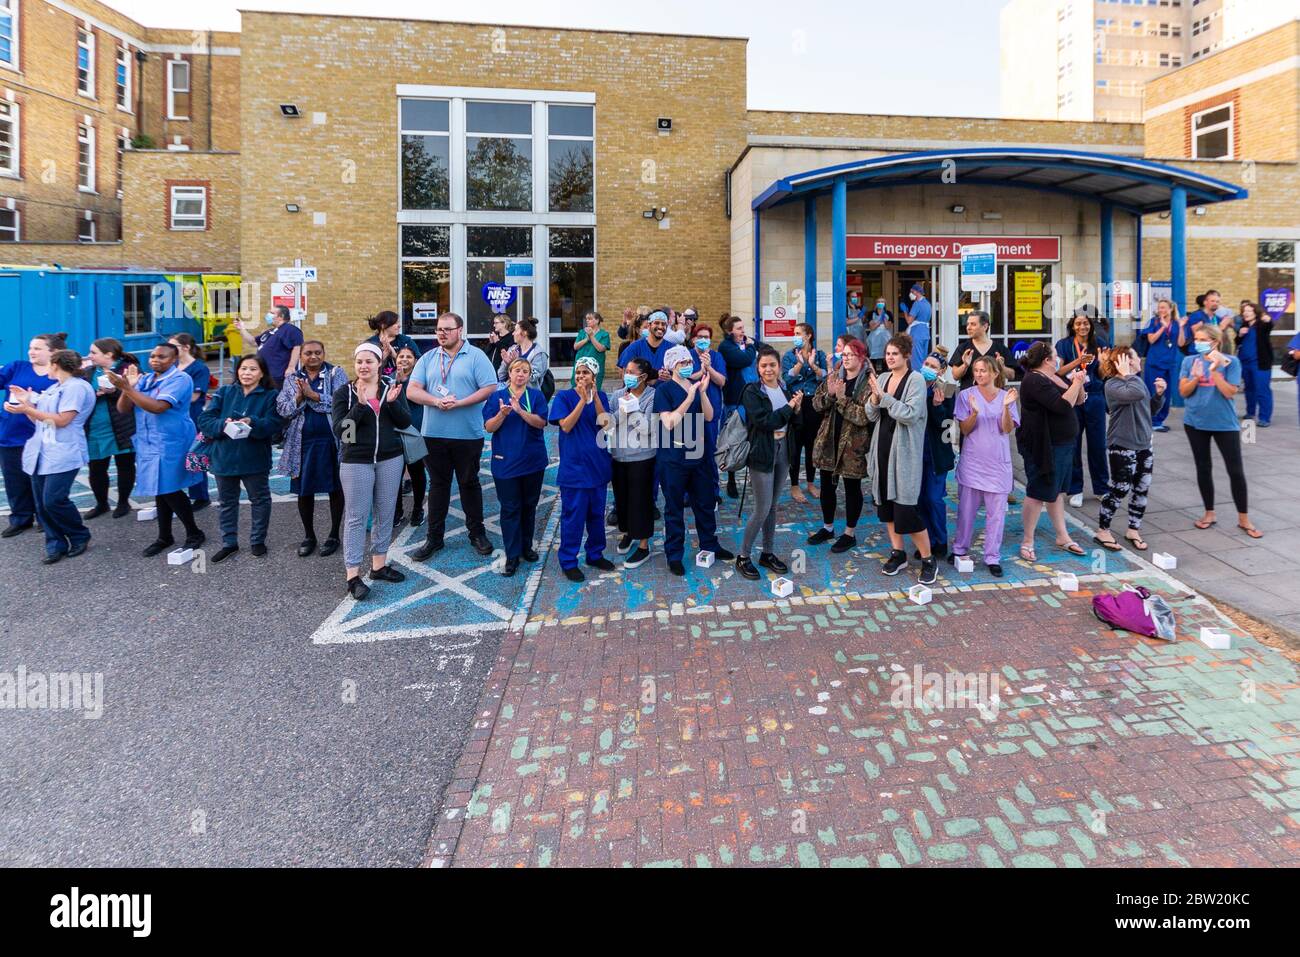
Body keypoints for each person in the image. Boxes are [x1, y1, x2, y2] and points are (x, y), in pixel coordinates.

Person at [407, 313, 499, 561]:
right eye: (438, 329)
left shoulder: (476, 356)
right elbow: (412, 390)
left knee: (469, 483)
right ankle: (434, 539)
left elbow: (490, 387)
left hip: (467, 434)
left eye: (447, 329)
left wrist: (461, 403)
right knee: (438, 486)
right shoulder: (428, 357)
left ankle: (476, 534)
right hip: (433, 434)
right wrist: (437, 401)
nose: (442, 334)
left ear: (460, 330)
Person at [107, 343, 207, 556]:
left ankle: (194, 532)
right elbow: (123, 408)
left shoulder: (180, 379)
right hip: (148, 442)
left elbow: (158, 407)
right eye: (152, 356)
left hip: (172, 441)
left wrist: (127, 388)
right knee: (159, 488)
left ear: (174, 360)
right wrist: (128, 387)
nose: (155, 360)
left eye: (162, 357)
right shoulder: (144, 379)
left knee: (169, 488)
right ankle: (164, 536)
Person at [332, 342, 412, 600]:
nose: (364, 366)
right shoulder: (344, 393)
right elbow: (344, 434)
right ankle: (353, 576)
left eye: (369, 361)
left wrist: (390, 404)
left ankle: (378, 566)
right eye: (359, 362)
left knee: (385, 512)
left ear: (379, 364)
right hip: (356, 461)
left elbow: (405, 422)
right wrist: (361, 406)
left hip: (390, 458)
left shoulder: (391, 387)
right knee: (356, 517)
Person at [9, 349, 96, 563]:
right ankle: (55, 544)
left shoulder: (76, 387)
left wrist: (26, 410)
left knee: (54, 499)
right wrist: (27, 404)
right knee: (41, 503)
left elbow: (62, 420)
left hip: (64, 451)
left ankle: (78, 534)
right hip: (41, 451)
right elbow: (41, 421)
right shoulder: (53, 388)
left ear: (55, 364)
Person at [655, 345, 733, 575]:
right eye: (682, 363)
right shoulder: (664, 390)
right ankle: (674, 554)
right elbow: (669, 422)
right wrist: (689, 398)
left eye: (689, 362)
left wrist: (700, 393)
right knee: (674, 507)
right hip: (674, 458)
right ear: (671, 366)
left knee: (705, 503)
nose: (687, 366)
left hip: (699, 455)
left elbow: (709, 416)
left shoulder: (695, 386)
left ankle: (710, 544)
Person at [865, 335, 937, 583]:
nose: (890, 357)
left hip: (904, 453)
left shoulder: (915, 380)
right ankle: (898, 553)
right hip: (882, 449)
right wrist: (874, 400)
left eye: (895, 353)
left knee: (906, 511)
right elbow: (870, 414)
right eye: (887, 353)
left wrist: (883, 398)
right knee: (886, 509)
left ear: (906, 355)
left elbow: (910, 414)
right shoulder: (883, 378)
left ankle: (928, 559)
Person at [1179, 324, 1261, 539]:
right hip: (1195, 422)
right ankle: (1209, 513)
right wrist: (1196, 377)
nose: (1197, 343)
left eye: (1202, 339)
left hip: (1225, 423)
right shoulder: (1189, 361)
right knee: (1203, 467)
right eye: (1196, 339)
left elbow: (1229, 392)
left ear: (1215, 342)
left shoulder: (1230, 362)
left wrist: (1214, 371)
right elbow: (1183, 393)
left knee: (1235, 470)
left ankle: (1243, 518)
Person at [198, 354, 282, 563]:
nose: (247, 373)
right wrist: (223, 425)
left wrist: (251, 422)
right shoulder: (225, 391)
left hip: (254, 459)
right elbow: (205, 419)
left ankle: (257, 540)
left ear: (262, 373)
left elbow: (274, 424)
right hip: (224, 458)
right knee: (227, 502)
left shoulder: (271, 396)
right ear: (237, 371)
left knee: (260, 500)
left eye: (253, 369)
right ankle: (229, 543)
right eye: (243, 368)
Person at [1016, 341, 1088, 562]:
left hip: (1064, 444)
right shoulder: (1034, 380)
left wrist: (1079, 382)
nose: (1058, 359)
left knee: (1055, 492)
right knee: (1038, 491)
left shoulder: (1055, 376)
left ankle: (1062, 536)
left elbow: (1079, 399)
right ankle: (1027, 540)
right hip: (1043, 445)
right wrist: (1076, 381)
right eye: (1055, 355)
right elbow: (1062, 405)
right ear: (1046, 360)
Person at [277, 339, 349, 557]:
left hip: (331, 441)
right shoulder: (292, 379)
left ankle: (334, 534)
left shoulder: (337, 374)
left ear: (324, 353)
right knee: (303, 490)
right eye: (308, 353)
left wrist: (314, 396)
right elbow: (283, 409)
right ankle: (309, 536)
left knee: (335, 489)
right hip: (302, 444)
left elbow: (343, 403)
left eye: (318, 352)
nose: (313, 357)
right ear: (301, 356)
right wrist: (299, 397)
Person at [736, 345, 801, 579]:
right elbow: (765, 421)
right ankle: (743, 556)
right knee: (762, 507)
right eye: (763, 365)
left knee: (773, 506)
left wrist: (797, 409)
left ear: (779, 367)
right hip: (762, 452)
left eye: (772, 365)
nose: (768, 369)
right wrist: (790, 408)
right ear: (758, 368)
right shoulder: (752, 391)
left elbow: (794, 421)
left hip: (784, 450)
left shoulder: (786, 388)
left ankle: (767, 552)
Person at [951, 356, 1020, 576]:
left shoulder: (1006, 396)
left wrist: (1007, 408)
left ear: (995, 373)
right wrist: (975, 413)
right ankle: (959, 549)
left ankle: (992, 557)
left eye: (983, 370)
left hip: (998, 465)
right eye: (976, 370)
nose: (979, 374)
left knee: (996, 516)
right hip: (973, 463)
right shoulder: (965, 395)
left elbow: (1006, 429)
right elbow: (965, 430)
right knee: (966, 512)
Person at [1093, 347, 1165, 554]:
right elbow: (1135, 394)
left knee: (1141, 488)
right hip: (1122, 444)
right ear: (1126, 361)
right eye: (1135, 356)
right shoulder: (1113, 384)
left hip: (1144, 443)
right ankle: (1103, 530)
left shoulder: (1136, 381)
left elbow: (1147, 410)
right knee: (1120, 488)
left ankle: (1133, 529)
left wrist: (1159, 396)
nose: (1139, 359)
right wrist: (1125, 374)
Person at [549, 356, 614, 582]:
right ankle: (568, 560)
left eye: (585, 373)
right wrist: (581, 400)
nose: (580, 377)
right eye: (578, 373)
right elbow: (566, 425)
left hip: (597, 468)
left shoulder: (602, 397)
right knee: (573, 517)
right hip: (574, 472)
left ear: (594, 377)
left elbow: (606, 424)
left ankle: (595, 554)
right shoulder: (564, 397)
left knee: (597, 516)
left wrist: (593, 397)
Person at [484, 357, 549, 577]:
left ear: (529, 375)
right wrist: (502, 414)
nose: (520, 374)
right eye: (516, 370)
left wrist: (520, 411)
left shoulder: (536, 396)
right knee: (510, 508)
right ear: (509, 373)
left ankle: (525, 547)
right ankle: (512, 555)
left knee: (529, 505)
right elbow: (489, 427)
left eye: (525, 371)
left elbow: (541, 423)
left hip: (532, 461)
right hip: (506, 463)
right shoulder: (497, 397)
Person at [807, 338, 872, 554]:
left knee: (852, 488)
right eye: (843, 355)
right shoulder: (834, 377)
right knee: (827, 486)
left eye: (850, 355)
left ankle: (849, 533)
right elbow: (815, 404)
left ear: (861, 357)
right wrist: (831, 395)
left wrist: (842, 400)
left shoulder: (869, 383)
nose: (845, 359)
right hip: (829, 442)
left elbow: (864, 417)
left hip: (853, 445)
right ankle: (828, 527)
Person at [0, 333, 59, 538]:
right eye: (30, 348)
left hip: (41, 436)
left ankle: (45, 518)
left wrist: (32, 400)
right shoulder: (17, 366)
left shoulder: (56, 375)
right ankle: (21, 519)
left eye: (37, 348)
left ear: (53, 352)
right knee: (14, 480)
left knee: (41, 481)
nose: (31, 352)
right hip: (11, 434)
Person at [1055, 309, 1110, 507]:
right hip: (1073, 396)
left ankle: (1102, 488)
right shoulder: (1063, 344)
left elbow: (1103, 375)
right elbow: (1058, 371)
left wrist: (1103, 364)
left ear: (1091, 325)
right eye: (1078, 323)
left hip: (1094, 396)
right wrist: (1078, 361)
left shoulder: (1100, 344)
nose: (1082, 327)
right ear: (1072, 326)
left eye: (1086, 323)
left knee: (1098, 444)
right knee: (1074, 443)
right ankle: (1075, 489)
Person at [607, 357, 656, 569]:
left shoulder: (652, 397)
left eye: (631, 371)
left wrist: (633, 409)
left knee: (641, 501)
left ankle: (644, 545)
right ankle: (627, 533)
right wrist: (623, 409)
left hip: (642, 457)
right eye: (625, 370)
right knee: (623, 499)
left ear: (643, 377)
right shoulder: (618, 395)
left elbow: (647, 428)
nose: (626, 374)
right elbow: (608, 423)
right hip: (618, 456)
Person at [82, 338, 139, 519]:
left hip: (122, 425)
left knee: (125, 465)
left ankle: (123, 502)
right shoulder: (89, 372)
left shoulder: (128, 368)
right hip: (95, 429)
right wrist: (94, 393)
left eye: (93, 353)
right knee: (96, 468)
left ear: (108, 354)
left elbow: (137, 394)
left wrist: (113, 391)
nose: (89, 356)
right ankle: (101, 503)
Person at [781, 323, 826, 505]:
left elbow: (825, 375)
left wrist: (812, 365)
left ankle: (810, 483)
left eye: (798, 333)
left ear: (808, 336)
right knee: (795, 444)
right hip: (797, 402)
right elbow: (787, 378)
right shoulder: (789, 356)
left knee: (811, 445)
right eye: (794, 333)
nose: (795, 336)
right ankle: (794, 485)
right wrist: (800, 364)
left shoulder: (819, 354)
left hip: (814, 403)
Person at [918, 351, 955, 560]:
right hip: (916, 454)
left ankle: (940, 541)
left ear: (941, 371)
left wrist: (938, 408)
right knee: (921, 499)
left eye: (933, 366)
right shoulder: (915, 385)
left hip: (936, 455)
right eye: (926, 363)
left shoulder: (947, 391)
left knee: (934, 499)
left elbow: (946, 427)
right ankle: (927, 541)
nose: (928, 368)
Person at [171, 332, 212, 510]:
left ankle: (201, 496)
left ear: (185, 347)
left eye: (173, 347)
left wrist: (166, 402)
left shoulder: (199, 368)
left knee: (194, 455)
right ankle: (178, 492)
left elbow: (195, 396)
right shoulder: (172, 366)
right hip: (172, 418)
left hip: (191, 418)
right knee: (176, 456)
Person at [718, 315, 758, 498]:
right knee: (733, 438)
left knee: (753, 436)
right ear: (729, 331)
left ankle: (753, 475)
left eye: (743, 327)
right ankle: (731, 478)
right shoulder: (726, 347)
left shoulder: (748, 342)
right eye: (739, 328)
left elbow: (766, 349)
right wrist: (751, 346)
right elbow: (743, 359)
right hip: (735, 399)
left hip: (752, 398)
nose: (743, 331)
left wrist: (753, 345)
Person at [689, 321, 727, 504]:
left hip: (712, 409)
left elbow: (722, 382)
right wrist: (700, 371)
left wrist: (709, 367)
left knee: (710, 450)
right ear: (693, 339)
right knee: (691, 450)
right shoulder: (686, 356)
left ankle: (713, 490)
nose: (703, 340)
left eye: (707, 337)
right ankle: (689, 493)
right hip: (690, 409)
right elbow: (684, 377)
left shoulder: (716, 357)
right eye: (700, 337)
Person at [391, 345, 426, 528]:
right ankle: (396, 511)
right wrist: (394, 382)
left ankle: (418, 508)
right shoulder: (389, 379)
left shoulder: (418, 380)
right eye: (401, 356)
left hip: (414, 431)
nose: (404, 359)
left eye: (409, 357)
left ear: (415, 360)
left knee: (416, 472)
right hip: (393, 433)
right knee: (394, 474)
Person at [1139, 298, 1185, 433]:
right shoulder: (1154, 322)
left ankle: (1160, 420)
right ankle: (1152, 420)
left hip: (1170, 363)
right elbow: (1151, 339)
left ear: (1171, 309)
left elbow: (1181, 343)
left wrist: (1181, 327)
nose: (1161, 310)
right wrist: (1163, 328)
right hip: (1155, 363)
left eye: (1164, 307)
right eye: (1159, 307)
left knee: (1167, 392)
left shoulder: (1176, 323)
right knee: (1153, 391)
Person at [236, 305, 303, 389]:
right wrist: (242, 328)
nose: (268, 315)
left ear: (281, 316)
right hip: (265, 375)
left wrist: (291, 367)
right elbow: (253, 342)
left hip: (278, 376)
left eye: (272, 313)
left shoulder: (290, 330)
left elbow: (296, 347)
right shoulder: (270, 331)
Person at [949, 311, 1015, 391]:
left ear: (985, 326)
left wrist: (1001, 367)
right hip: (969, 398)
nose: (968, 327)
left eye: (973, 324)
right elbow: (955, 376)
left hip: (994, 398)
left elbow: (1012, 375)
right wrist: (965, 365)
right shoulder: (963, 348)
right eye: (968, 324)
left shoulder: (1000, 348)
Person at [1234, 301, 1274, 427]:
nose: (1246, 313)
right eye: (1244, 311)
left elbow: (1269, 326)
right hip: (1245, 363)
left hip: (1260, 363)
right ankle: (1250, 413)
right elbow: (1237, 341)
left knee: (1262, 390)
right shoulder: (1244, 326)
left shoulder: (1262, 325)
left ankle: (1264, 418)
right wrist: (1240, 334)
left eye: (1249, 311)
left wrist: (1268, 320)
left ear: (1256, 313)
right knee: (1249, 389)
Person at [365, 310, 422, 379]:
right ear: (383, 325)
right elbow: (366, 367)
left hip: (404, 381)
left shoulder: (406, 341)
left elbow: (419, 363)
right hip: (378, 382)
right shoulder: (371, 343)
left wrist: (394, 354)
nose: (399, 326)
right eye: (395, 323)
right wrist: (383, 357)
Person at [497, 317, 549, 392]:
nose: (513, 333)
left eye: (516, 330)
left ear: (525, 333)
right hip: (510, 392)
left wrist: (515, 363)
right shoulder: (512, 349)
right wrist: (507, 364)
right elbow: (501, 376)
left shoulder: (539, 353)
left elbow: (532, 377)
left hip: (529, 396)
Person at [619, 311, 673, 379]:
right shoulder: (635, 347)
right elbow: (623, 372)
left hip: (665, 389)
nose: (660, 326)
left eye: (663, 324)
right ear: (649, 326)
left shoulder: (672, 349)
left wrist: (670, 378)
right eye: (656, 323)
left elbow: (679, 375)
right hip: (640, 389)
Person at [573, 311, 612, 393]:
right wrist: (586, 339)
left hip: (596, 364)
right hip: (581, 364)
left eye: (590, 319)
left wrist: (591, 336)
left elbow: (601, 348)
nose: (587, 320)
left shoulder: (604, 334)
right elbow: (575, 347)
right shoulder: (582, 332)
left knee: (594, 387)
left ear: (597, 320)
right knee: (578, 387)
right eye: (586, 319)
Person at [903, 284, 932, 371]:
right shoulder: (927, 304)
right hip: (925, 333)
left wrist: (905, 311)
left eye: (912, 292)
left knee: (916, 359)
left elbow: (909, 321)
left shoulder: (917, 304)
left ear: (917, 292)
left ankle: (917, 380)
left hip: (917, 334)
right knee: (924, 359)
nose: (910, 294)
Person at [866, 305, 892, 374]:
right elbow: (872, 328)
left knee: (885, 355)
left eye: (882, 302)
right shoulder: (872, 314)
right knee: (875, 357)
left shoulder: (888, 313)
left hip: (885, 338)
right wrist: (879, 321)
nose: (881, 304)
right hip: (874, 339)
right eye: (879, 302)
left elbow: (888, 326)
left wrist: (884, 319)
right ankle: (875, 373)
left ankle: (885, 373)